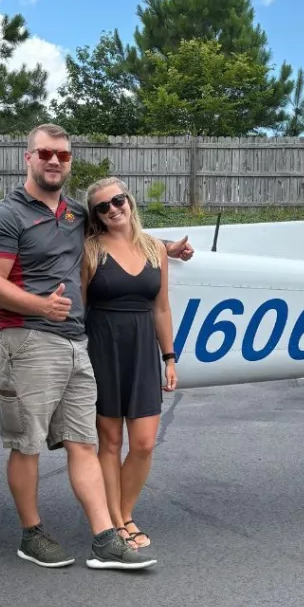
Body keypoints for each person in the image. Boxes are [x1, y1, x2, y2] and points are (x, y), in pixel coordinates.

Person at [0, 123, 191, 570]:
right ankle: (32, 534)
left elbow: (123, 234)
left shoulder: (76, 214)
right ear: (28, 157)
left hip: (76, 342)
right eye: (45, 153)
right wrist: (41, 305)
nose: (54, 161)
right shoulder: (5, 216)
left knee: (83, 442)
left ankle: (105, 538)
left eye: (63, 155)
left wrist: (168, 248)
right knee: (28, 443)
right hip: (28, 338)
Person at [81, 177, 176, 551]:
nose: (113, 209)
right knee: (110, 442)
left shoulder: (156, 249)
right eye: (102, 207)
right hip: (102, 348)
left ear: (129, 201)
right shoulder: (90, 250)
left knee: (144, 443)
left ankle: (123, 511)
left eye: (117, 200)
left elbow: (161, 308)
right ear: (96, 216)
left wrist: (169, 357)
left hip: (143, 350)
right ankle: (118, 523)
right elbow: (80, 307)